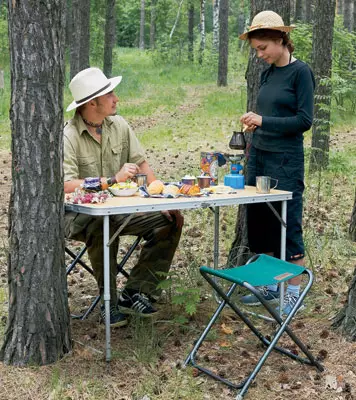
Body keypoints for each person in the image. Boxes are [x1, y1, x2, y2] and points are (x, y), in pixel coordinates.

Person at [64, 67, 184, 327]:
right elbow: (66, 186)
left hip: (120, 210)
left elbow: (142, 164)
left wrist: (162, 199)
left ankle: (136, 292)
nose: (116, 99)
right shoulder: (69, 135)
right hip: (79, 217)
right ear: (92, 102)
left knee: (171, 220)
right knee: (102, 224)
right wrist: (110, 181)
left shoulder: (119, 125)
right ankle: (108, 300)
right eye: (110, 94)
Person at [238, 11, 315, 315]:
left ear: (280, 40)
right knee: (261, 222)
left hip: (286, 160)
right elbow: (270, 116)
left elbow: (304, 120)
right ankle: (269, 285)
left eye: (262, 48)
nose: (259, 55)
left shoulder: (301, 72)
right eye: (256, 49)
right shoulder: (266, 72)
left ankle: (293, 294)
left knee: (288, 224)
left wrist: (263, 120)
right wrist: (256, 125)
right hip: (260, 155)